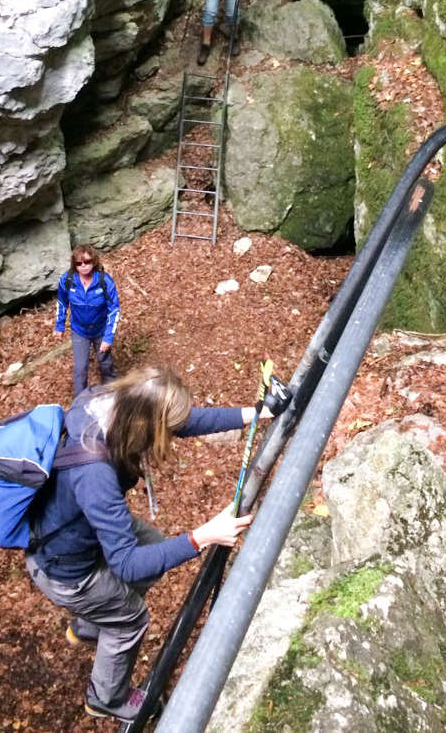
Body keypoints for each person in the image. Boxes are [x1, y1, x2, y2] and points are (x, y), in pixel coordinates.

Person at [25, 364, 280, 722]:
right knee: (130, 618)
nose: (174, 432)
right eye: (168, 427)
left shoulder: (108, 400)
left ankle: (88, 626)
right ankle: (105, 698)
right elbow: (128, 565)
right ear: (148, 424)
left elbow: (186, 420)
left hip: (76, 527)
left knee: (154, 544)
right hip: (65, 569)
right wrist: (202, 536)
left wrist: (254, 414)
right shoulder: (95, 472)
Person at [54, 244, 120, 396]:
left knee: (105, 363)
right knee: (80, 368)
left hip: (101, 330)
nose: (83, 266)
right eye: (79, 263)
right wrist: (59, 326)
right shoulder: (67, 280)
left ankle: (112, 395)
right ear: (74, 264)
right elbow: (62, 303)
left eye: (87, 261)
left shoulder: (104, 281)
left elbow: (114, 310)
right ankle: (80, 401)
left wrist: (108, 338)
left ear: (94, 261)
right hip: (79, 331)